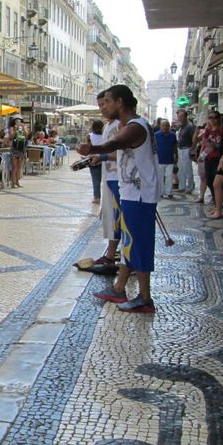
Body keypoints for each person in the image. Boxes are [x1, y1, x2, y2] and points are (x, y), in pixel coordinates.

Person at [78, 85, 161, 313]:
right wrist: (101, 156)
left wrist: (93, 147)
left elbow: (116, 143)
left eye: (107, 101)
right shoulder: (132, 126)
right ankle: (119, 288)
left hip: (140, 195)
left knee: (140, 246)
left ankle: (145, 298)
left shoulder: (135, 127)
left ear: (120, 103)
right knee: (131, 244)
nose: (104, 107)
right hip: (133, 194)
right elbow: (120, 151)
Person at [89, 89, 121, 267]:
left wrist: (101, 156)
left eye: (105, 103)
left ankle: (120, 258)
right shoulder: (108, 125)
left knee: (117, 218)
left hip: (118, 177)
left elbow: (121, 153)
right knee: (110, 218)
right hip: (109, 176)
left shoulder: (120, 125)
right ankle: (110, 254)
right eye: (100, 104)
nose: (102, 108)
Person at [196, 112, 222, 204]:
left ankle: (217, 202)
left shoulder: (221, 130)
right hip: (208, 157)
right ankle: (215, 199)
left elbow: (217, 145)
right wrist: (202, 155)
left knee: (216, 181)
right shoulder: (208, 130)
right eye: (210, 117)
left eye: (214, 117)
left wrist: (213, 144)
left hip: (217, 158)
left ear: (218, 119)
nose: (212, 119)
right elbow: (206, 143)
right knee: (209, 180)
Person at [154, 119, 178, 199]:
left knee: (169, 176)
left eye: (166, 125)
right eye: (163, 125)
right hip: (159, 159)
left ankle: (169, 192)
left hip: (170, 159)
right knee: (160, 176)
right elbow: (153, 147)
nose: (164, 127)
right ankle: (161, 192)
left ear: (169, 126)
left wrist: (176, 157)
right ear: (160, 126)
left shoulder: (173, 135)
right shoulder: (156, 135)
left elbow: (175, 147)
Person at [175, 110, 196, 193]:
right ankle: (182, 186)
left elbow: (194, 138)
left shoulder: (190, 126)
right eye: (178, 117)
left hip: (186, 149)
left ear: (185, 117)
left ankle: (190, 187)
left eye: (181, 117)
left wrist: (192, 149)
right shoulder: (182, 126)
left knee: (188, 169)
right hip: (180, 149)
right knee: (181, 169)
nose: (179, 118)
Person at [5, 117, 28, 188]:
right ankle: (13, 182)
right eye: (17, 121)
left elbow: (26, 135)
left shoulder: (24, 127)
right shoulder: (12, 128)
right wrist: (15, 129)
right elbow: (11, 137)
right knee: (14, 167)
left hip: (22, 148)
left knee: (19, 167)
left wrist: (23, 128)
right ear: (14, 122)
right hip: (15, 148)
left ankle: (17, 181)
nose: (18, 122)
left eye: (20, 121)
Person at [88, 119, 104, 204]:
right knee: (103, 180)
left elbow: (88, 149)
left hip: (93, 160)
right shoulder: (105, 136)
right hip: (104, 159)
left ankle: (97, 197)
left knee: (95, 180)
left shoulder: (89, 136)